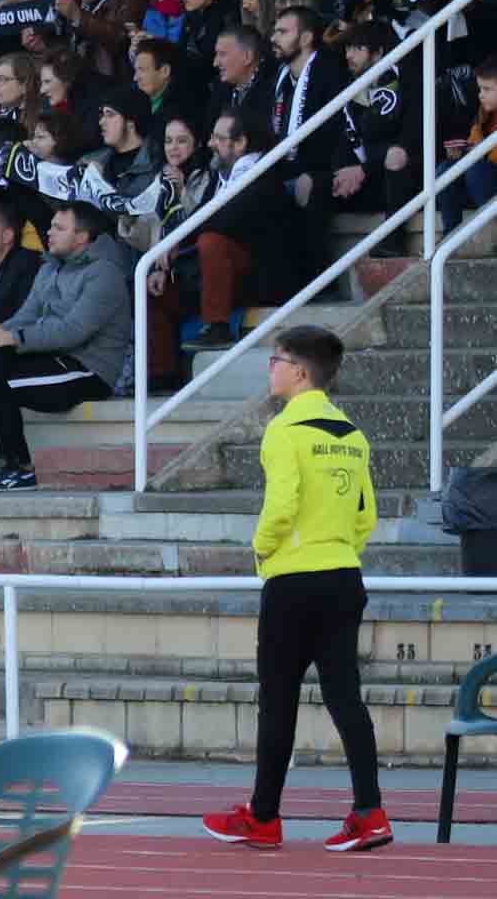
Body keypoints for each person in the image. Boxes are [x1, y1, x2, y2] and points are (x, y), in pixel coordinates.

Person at [202, 324, 390, 853]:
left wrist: (263, 550)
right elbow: (366, 514)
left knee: (278, 700)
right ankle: (369, 811)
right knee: (345, 697)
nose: (271, 368)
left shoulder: (285, 429)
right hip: (343, 575)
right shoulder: (352, 435)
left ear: (300, 372)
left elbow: (281, 506)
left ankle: (264, 817)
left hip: (293, 579)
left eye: (276, 360)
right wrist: (339, 549)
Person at [0, 203, 132, 492]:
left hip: (87, 371)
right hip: (51, 359)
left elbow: (72, 332)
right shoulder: (50, 268)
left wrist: (15, 338)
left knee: (1, 381)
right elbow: (27, 316)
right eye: (51, 225)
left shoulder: (104, 274)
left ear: (82, 237)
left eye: (59, 228)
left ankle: (21, 466)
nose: (49, 233)